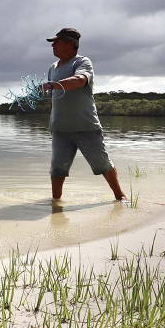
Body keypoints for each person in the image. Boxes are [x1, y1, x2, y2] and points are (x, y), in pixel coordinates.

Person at [41, 28, 126, 202]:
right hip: (60, 129)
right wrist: (52, 123)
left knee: (102, 164)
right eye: (53, 43)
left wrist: (53, 85)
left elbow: (79, 80)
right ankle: (56, 202)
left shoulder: (82, 62)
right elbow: (53, 99)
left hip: (86, 126)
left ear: (70, 43)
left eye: (57, 42)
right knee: (57, 168)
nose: (53, 45)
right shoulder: (52, 68)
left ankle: (120, 196)